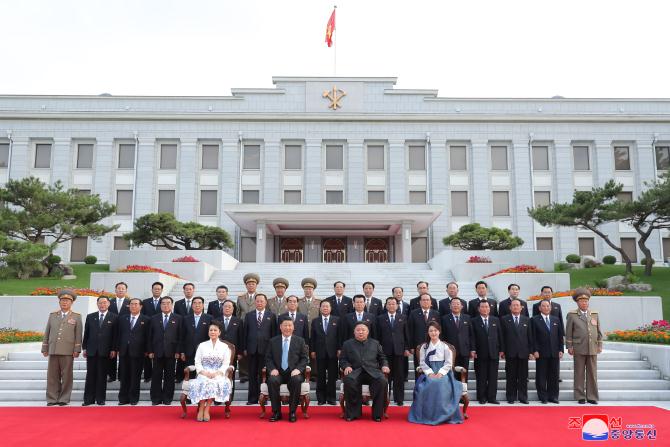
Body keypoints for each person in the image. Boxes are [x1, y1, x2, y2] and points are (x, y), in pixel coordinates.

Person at [408, 322, 464, 425]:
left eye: (435, 330)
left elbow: (448, 363)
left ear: (439, 332)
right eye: (431, 331)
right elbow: (422, 363)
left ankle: (442, 414)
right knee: (426, 385)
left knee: (440, 384)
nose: (433, 333)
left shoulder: (445, 346)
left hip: (443, 372)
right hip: (428, 371)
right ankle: (427, 414)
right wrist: (429, 373)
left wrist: (441, 373)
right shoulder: (424, 347)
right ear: (428, 332)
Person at [339, 322, 390, 422]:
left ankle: (378, 414)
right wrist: (346, 366)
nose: (360, 332)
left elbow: (382, 357)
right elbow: (343, 359)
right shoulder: (347, 344)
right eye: (358, 330)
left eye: (363, 330)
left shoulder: (375, 343)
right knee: (349, 380)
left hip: (372, 371)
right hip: (355, 371)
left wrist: (385, 365)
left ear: (367, 332)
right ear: (354, 332)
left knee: (382, 381)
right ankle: (353, 413)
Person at [42, 289, 83, 406]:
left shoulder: (76, 317)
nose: (64, 303)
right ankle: (52, 398)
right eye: (62, 300)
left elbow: (78, 335)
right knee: (52, 375)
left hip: (68, 351)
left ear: (72, 303)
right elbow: (47, 332)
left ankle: (64, 398)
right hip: (53, 349)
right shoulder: (52, 315)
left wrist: (77, 350)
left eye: (67, 301)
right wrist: (45, 348)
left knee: (67, 376)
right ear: (59, 302)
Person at [265, 319, 309, 422]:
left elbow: (304, 358)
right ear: (280, 327)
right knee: (272, 380)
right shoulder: (273, 341)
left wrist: (299, 369)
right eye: (285, 325)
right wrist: (272, 369)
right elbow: (268, 358)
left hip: (293, 372)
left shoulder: (300, 341)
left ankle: (292, 412)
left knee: (297, 380)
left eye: (290, 325)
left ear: (293, 327)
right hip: (278, 372)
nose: (287, 328)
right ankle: (276, 412)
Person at [188, 323, 233, 422]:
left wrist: (217, 373)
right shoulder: (202, 345)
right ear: (208, 332)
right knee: (204, 381)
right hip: (204, 372)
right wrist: (204, 372)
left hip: (218, 373)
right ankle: (201, 408)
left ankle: (207, 408)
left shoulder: (225, 347)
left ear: (219, 332)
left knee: (213, 382)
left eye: (215, 330)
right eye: (211, 330)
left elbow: (226, 363)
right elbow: (197, 362)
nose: (213, 332)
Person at [566, 288, 602, 404]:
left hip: (592, 347)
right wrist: (569, 347)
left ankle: (592, 396)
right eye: (581, 301)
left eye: (586, 301)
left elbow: (599, 331)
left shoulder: (594, 314)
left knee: (592, 373)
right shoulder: (572, 315)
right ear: (577, 302)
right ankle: (580, 396)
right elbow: (568, 332)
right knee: (579, 373)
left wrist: (600, 344)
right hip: (579, 348)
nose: (584, 303)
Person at [82, 295, 118, 406]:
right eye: (100, 303)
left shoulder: (114, 317)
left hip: (105, 350)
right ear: (97, 304)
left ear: (108, 304)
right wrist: (85, 348)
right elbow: (86, 333)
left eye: (104, 303)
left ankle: (100, 399)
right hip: (92, 350)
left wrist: (113, 349)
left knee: (102, 375)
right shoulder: (90, 316)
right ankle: (88, 399)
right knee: (90, 375)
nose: (102, 305)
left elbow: (115, 336)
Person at [243, 293, 277, 405]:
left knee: (265, 375)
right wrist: (244, 348)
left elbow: (274, 335)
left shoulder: (271, 316)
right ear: (254, 302)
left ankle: (265, 397)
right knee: (252, 374)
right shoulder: (249, 315)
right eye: (257, 301)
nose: (259, 303)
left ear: (265, 302)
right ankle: (252, 398)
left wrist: (272, 351)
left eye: (261, 301)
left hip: (266, 350)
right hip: (252, 349)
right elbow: (245, 333)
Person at [148, 296, 182, 405]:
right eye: (163, 303)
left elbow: (180, 336)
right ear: (160, 305)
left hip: (171, 352)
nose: (165, 305)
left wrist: (178, 351)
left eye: (168, 303)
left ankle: (168, 398)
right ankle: (155, 398)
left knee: (169, 376)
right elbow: (149, 336)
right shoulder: (153, 318)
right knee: (156, 376)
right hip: (157, 351)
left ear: (172, 305)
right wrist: (150, 351)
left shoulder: (178, 318)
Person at [376, 297, 410, 406]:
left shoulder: (403, 317)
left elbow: (406, 335)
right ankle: (384, 398)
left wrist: (406, 348)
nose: (391, 306)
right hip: (384, 352)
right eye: (389, 304)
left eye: (393, 304)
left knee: (399, 376)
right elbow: (377, 335)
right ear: (386, 306)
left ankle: (399, 399)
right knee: (385, 376)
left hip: (399, 352)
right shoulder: (380, 318)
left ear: (397, 306)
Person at [117, 298, 149, 405]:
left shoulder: (146, 319)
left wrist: (147, 350)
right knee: (124, 376)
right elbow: (118, 334)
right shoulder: (122, 319)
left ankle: (133, 398)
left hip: (138, 352)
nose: (133, 306)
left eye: (136, 304)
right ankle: (123, 398)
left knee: (135, 376)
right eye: (131, 304)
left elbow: (148, 337)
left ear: (140, 306)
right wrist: (117, 348)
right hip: (124, 351)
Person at [500, 298, 533, 404]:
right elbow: (502, 337)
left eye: (517, 305)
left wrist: (531, 351)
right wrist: (502, 350)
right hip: (510, 352)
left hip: (523, 353)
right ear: (510, 307)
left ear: (521, 307)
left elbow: (530, 337)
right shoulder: (504, 319)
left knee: (523, 377)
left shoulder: (527, 320)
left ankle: (523, 397)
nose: (515, 307)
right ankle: (511, 396)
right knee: (511, 376)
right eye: (513, 305)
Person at [532, 299, 564, 404]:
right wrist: (535, 350)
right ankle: (543, 396)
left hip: (554, 352)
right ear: (540, 308)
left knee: (554, 375)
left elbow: (560, 336)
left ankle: (553, 396)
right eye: (544, 306)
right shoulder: (534, 320)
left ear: (550, 308)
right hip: (541, 352)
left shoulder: (556, 320)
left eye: (548, 306)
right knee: (541, 375)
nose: (546, 308)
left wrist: (561, 349)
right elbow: (533, 337)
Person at [470, 300, 503, 404]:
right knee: (481, 376)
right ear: (479, 309)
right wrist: (473, 349)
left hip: (494, 352)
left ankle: (492, 397)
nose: (485, 309)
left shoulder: (495, 320)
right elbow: (472, 337)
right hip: (480, 353)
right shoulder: (474, 321)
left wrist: (502, 349)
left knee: (493, 376)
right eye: (482, 307)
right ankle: (482, 397)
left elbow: (500, 336)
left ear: (490, 308)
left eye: (487, 307)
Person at [310, 300, 340, 405]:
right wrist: (312, 350)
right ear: (320, 308)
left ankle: (331, 398)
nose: (325, 308)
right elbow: (312, 337)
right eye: (323, 306)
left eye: (327, 306)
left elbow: (339, 337)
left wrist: (339, 349)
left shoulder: (337, 320)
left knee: (332, 376)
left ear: (330, 308)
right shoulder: (315, 321)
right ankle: (321, 399)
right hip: (319, 351)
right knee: (320, 376)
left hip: (333, 352)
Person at [237, 273, 261, 383]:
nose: (251, 286)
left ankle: (256, 372)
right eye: (249, 284)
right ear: (246, 286)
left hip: (255, 327)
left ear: (256, 286)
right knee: (243, 349)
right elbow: (238, 313)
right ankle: (243, 374)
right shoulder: (240, 298)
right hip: (242, 326)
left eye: (253, 284)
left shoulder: (260, 298)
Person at [181, 297, 213, 377]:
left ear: (203, 305)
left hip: (205, 351)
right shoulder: (186, 318)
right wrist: (182, 351)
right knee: (191, 375)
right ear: (192, 306)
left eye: (199, 303)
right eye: (195, 303)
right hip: (189, 351)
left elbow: (212, 335)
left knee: (203, 375)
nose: (197, 305)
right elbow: (182, 336)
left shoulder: (209, 318)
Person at [219, 300, 243, 402]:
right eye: (225, 306)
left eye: (230, 307)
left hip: (233, 354)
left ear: (233, 309)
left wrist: (240, 352)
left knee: (230, 375)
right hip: (218, 353)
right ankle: (218, 397)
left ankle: (229, 397)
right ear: (222, 308)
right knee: (219, 375)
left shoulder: (238, 321)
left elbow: (241, 337)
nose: (227, 308)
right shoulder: (216, 320)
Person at [440, 298, 473, 372]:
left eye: (458, 304)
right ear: (450, 306)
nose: (456, 306)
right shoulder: (444, 319)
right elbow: (442, 335)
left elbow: (471, 335)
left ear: (462, 306)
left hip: (464, 350)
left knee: (464, 374)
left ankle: (463, 384)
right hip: (450, 351)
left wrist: (472, 349)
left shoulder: (467, 318)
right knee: (451, 374)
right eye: (453, 304)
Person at [408, 293, 440, 368]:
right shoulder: (413, 313)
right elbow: (410, 330)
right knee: (419, 367)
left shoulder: (436, 314)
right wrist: (411, 346)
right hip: (418, 345)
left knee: (433, 366)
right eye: (423, 300)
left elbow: (439, 330)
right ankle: (419, 380)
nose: (425, 301)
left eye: (427, 300)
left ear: (431, 302)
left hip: (433, 345)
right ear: (420, 302)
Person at [141, 281, 164, 382]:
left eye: (159, 289)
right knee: (147, 354)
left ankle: (159, 374)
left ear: (162, 290)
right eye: (155, 289)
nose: (157, 290)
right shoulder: (145, 302)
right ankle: (147, 375)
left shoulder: (165, 301)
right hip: (147, 330)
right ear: (152, 290)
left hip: (161, 332)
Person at [107, 282, 130, 382]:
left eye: (123, 288)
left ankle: (122, 375)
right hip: (111, 331)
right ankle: (111, 375)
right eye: (119, 288)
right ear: (115, 290)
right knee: (112, 353)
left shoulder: (130, 303)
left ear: (126, 290)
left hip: (125, 332)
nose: (121, 290)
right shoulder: (109, 302)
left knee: (123, 355)